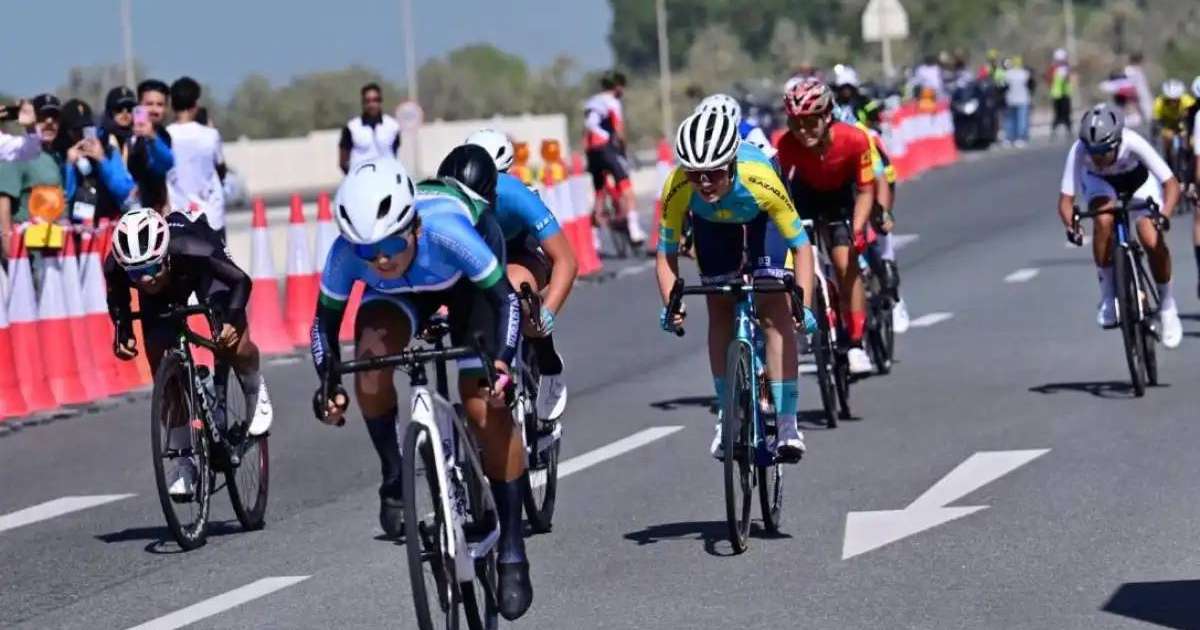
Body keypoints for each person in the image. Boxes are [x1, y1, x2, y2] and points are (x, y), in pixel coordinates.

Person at [310, 157, 533, 620]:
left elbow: (504, 300)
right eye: (367, 251)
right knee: (368, 367)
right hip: (398, 297)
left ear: (412, 226)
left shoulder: (450, 231)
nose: (382, 259)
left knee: (481, 404)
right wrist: (327, 383)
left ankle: (512, 547)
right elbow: (323, 327)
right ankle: (395, 477)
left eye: (391, 243)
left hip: (467, 286)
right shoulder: (348, 253)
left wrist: (504, 364)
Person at [656, 108, 816, 463]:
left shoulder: (760, 178)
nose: (705, 183)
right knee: (720, 307)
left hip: (760, 218)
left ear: (730, 164)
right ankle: (727, 414)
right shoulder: (678, 186)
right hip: (713, 225)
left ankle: (788, 423)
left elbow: (801, 247)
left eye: (713, 173)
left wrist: (802, 306)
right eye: (695, 175)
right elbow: (665, 253)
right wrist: (672, 303)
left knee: (773, 306)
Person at [106, 208, 273, 497]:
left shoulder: (190, 247)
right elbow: (119, 298)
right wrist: (123, 332)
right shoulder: (119, 266)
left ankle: (254, 385)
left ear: (164, 255)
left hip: (204, 272)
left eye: (151, 268)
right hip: (166, 293)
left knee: (231, 341)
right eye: (137, 273)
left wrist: (232, 321)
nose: (146, 279)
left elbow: (241, 281)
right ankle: (184, 462)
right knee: (163, 367)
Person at [466, 129, 578, 421]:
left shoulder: (517, 195)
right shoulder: (458, 195)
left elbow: (565, 260)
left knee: (514, 290)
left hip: (519, 253)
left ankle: (548, 362)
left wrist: (548, 312)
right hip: (478, 257)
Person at [1057, 103, 1183, 348]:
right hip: (1100, 185)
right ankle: (1108, 297)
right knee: (1103, 220)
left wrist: (1164, 216)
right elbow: (1065, 200)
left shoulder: (1132, 141)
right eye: (1093, 152)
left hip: (1138, 183)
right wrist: (1072, 226)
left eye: (1104, 151)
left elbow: (1171, 184)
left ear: (1117, 141)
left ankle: (1167, 307)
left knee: (1149, 237)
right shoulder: (1079, 149)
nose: (1098, 157)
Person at [776, 78, 878, 374]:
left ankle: (857, 344)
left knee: (845, 263)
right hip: (806, 194)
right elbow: (778, 192)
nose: (802, 131)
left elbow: (866, 191)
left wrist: (858, 229)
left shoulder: (854, 139)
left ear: (826, 116)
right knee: (793, 262)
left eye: (809, 122)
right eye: (796, 123)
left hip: (842, 197)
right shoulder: (786, 145)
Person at [860, 99, 910, 332]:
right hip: (842, 194)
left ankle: (895, 297)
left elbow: (887, 180)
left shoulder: (869, 137)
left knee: (881, 230)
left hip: (872, 186)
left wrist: (884, 213)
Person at [583, 70, 646, 245]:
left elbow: (587, 129)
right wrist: (624, 149)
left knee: (599, 194)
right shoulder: (612, 102)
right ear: (617, 86)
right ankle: (634, 230)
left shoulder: (591, 102)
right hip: (606, 148)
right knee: (627, 189)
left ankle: (595, 240)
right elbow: (618, 130)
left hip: (592, 151)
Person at [0, 94, 64, 262]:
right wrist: (7, 241)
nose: (49, 122)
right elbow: (3, 198)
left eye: (54, 117)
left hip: (52, 242)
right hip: (26, 245)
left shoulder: (56, 155)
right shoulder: (16, 152)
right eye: (43, 117)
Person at [166, 77, 227, 239]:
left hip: (178, 218)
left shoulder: (165, 136)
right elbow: (221, 167)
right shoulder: (211, 135)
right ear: (195, 106)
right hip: (211, 216)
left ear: (172, 105)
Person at [99, 86, 174, 213]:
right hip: (110, 214)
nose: (125, 114)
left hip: (145, 212)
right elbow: (118, 184)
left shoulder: (146, 138)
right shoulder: (103, 139)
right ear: (110, 112)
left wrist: (152, 138)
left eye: (129, 109)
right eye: (119, 109)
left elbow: (166, 163)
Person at [60, 99, 136, 224]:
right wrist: (69, 166)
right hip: (79, 229)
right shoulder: (62, 156)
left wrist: (102, 160)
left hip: (108, 226)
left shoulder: (108, 151)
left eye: (86, 129)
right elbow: (67, 197)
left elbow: (123, 191)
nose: (83, 137)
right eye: (77, 131)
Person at [338, 83, 400, 174]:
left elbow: (396, 153)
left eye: (375, 100)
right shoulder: (352, 127)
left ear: (380, 101)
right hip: (360, 181)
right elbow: (343, 161)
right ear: (363, 102)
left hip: (387, 179)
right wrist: (352, 176)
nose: (371, 104)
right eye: (368, 101)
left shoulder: (393, 126)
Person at [1151, 79, 1195, 167]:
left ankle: (1190, 160)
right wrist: (1154, 136)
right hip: (1168, 126)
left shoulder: (1187, 100)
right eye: (1169, 100)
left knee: (1191, 143)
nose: (1173, 103)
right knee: (1167, 137)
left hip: (1184, 124)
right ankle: (1168, 159)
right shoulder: (1159, 103)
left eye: (1176, 100)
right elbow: (1155, 122)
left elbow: (1194, 117)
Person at [1002, 57, 1033, 147]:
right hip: (1023, 100)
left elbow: (1004, 86)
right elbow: (1030, 85)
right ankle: (1020, 138)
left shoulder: (1007, 74)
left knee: (1010, 120)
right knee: (1021, 120)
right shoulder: (1025, 74)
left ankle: (1009, 138)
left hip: (1010, 100)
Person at [1048, 49, 1073, 140]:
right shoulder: (1053, 68)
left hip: (1065, 93)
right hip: (1056, 94)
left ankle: (1069, 130)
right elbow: (1049, 79)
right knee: (1057, 114)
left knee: (1066, 113)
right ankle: (1054, 130)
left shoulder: (1067, 68)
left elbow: (1070, 79)